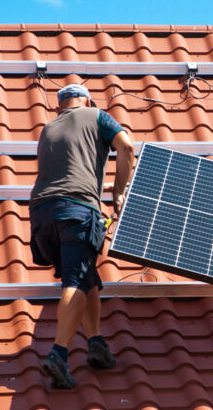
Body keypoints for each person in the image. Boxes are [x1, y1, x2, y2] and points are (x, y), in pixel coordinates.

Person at [29, 83, 135, 389]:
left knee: (87, 275)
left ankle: (96, 343)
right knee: (75, 281)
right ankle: (59, 355)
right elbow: (126, 147)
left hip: (41, 215)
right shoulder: (97, 115)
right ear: (87, 101)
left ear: (59, 106)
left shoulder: (48, 127)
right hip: (76, 209)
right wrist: (117, 193)